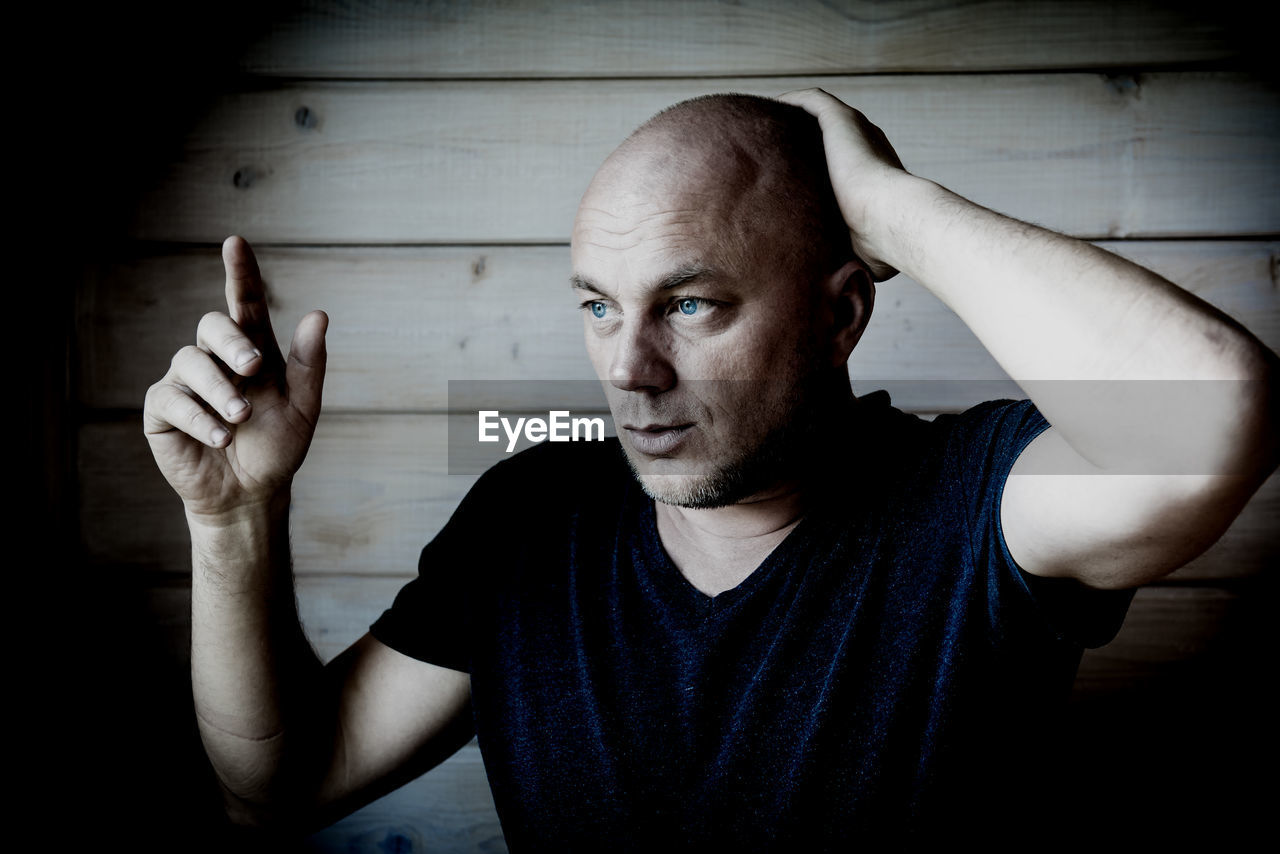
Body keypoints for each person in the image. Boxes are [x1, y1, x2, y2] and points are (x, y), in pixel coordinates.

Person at [143, 90, 1278, 847]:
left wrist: (893, 206)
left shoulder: (970, 500)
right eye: (597, 305)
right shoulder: (533, 512)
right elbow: (278, 782)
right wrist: (234, 519)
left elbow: (1213, 418)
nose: (628, 371)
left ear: (840, 314)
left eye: (690, 304)